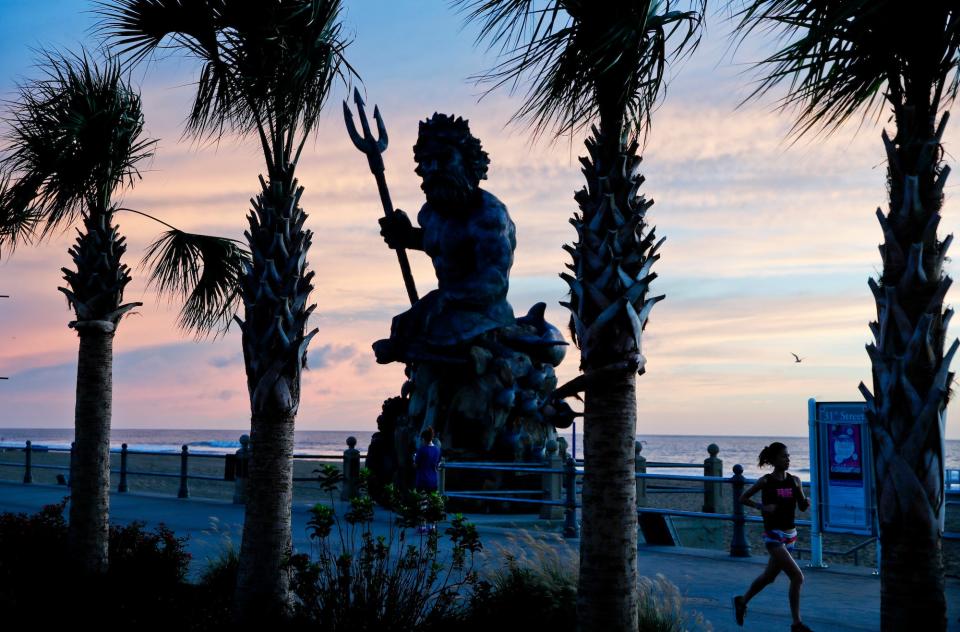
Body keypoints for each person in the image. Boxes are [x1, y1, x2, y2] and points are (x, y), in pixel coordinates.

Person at [733, 442, 812, 632]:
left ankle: (742, 601)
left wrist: (806, 502)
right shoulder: (766, 481)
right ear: (774, 459)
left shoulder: (795, 481)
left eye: (788, 456)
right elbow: (742, 498)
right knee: (797, 577)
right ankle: (797, 624)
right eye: (784, 456)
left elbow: (801, 506)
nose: (788, 459)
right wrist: (762, 507)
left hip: (790, 535)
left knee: (769, 577)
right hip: (773, 535)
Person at [413, 426, 441, 534]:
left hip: (422, 479)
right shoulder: (437, 450)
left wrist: (413, 459)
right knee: (432, 503)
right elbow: (437, 464)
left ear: (423, 439)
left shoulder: (422, 450)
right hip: (433, 479)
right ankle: (432, 527)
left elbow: (416, 465)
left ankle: (423, 526)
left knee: (422, 503)